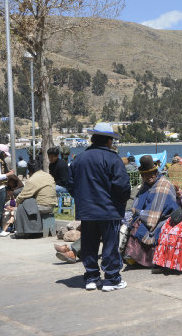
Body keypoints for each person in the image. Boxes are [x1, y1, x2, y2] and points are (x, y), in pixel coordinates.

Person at [68, 122, 131, 292]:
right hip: (109, 210)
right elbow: (123, 186)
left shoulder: (79, 159)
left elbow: (70, 183)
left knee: (89, 245)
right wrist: (120, 202)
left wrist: (82, 199)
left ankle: (91, 277)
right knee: (110, 246)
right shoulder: (112, 158)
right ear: (108, 141)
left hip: (87, 211)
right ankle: (111, 279)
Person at [123, 155, 179, 267]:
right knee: (127, 221)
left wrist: (138, 213)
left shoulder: (163, 185)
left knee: (139, 225)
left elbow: (156, 212)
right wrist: (136, 212)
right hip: (148, 214)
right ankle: (133, 256)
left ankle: (143, 259)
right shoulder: (146, 185)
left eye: (150, 173)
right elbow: (137, 202)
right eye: (144, 174)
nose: (148, 176)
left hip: (164, 217)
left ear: (156, 172)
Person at [14, 159, 57, 238]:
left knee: (22, 204)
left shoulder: (32, 180)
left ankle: (23, 232)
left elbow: (23, 195)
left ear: (29, 170)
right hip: (52, 205)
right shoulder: (48, 175)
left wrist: (16, 202)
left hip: (42, 206)